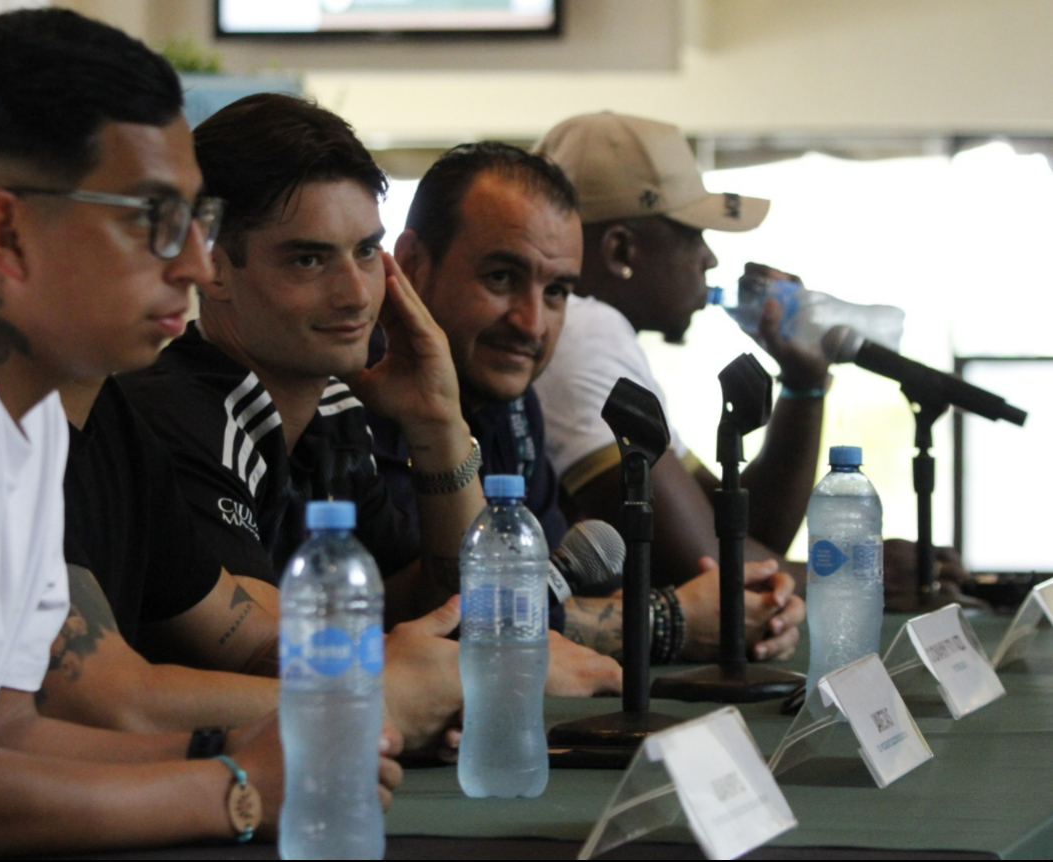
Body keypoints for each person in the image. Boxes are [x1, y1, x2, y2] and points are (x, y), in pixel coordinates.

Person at [0, 11, 400, 857]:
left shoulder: (21, 404)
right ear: (4, 233)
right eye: (152, 219)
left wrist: (233, 753)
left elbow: (10, 729)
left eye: (196, 223)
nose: (197, 267)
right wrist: (234, 790)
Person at [120, 93, 623, 696]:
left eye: (364, 252)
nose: (357, 294)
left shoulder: (334, 412)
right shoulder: (178, 418)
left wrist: (438, 426)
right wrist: (496, 667)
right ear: (214, 266)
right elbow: (273, 655)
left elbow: (443, 608)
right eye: (309, 260)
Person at [372, 142, 803, 663]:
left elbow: (549, 589)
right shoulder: (358, 390)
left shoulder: (512, 401)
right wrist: (663, 621)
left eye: (556, 291)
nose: (531, 323)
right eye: (501, 278)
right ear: (413, 263)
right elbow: (450, 619)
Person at [532, 112, 967, 611]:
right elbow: (712, 567)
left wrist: (804, 383)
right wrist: (857, 573)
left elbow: (744, 529)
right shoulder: (584, 331)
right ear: (620, 250)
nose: (710, 259)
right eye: (693, 234)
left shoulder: (596, 335)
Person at [46, 371, 467, 754]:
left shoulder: (113, 417)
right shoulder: (1, 424)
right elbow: (104, 701)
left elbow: (246, 640)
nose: (191, 281)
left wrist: (402, 671)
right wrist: (369, 704)